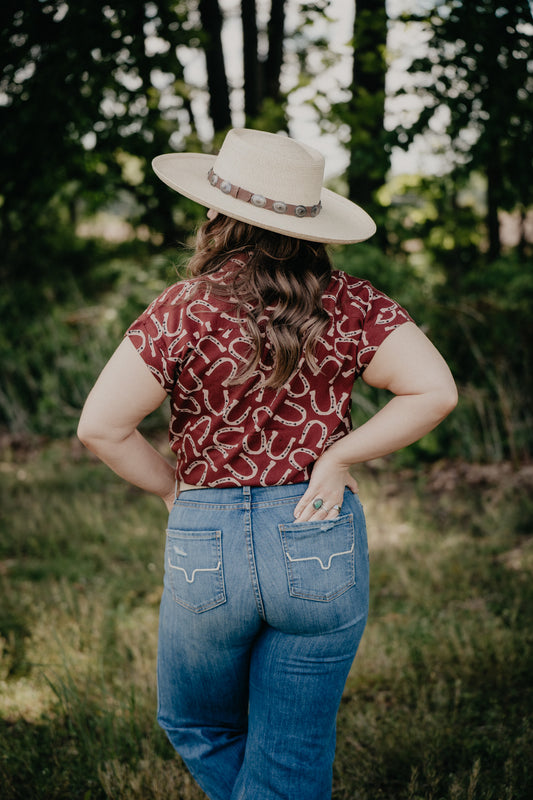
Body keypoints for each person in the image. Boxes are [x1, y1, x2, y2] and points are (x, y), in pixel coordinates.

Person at [78, 128, 457, 800]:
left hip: (206, 536)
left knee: (194, 722)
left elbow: (102, 428)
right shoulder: (349, 303)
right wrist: (339, 455)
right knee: (293, 754)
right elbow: (434, 391)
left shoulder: (182, 308)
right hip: (317, 526)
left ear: (216, 216)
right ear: (310, 225)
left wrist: (174, 489)